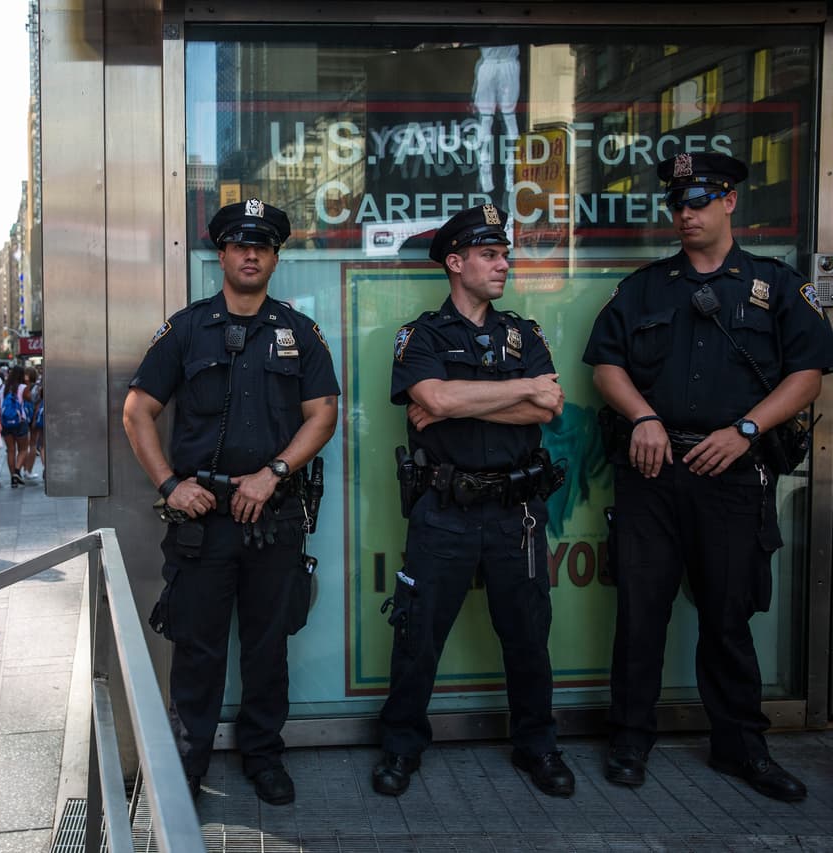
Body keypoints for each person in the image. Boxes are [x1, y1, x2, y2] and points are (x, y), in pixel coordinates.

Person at [582, 152, 833, 802]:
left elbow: (807, 374)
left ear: (729, 203)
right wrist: (642, 416)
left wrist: (746, 429)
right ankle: (630, 739)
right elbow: (605, 364)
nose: (685, 214)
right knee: (641, 613)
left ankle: (741, 746)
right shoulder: (644, 287)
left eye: (698, 201)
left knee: (727, 615)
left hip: (730, 473)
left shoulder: (777, 286)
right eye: (677, 204)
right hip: (653, 469)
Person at [122, 198, 339, 805]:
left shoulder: (298, 330)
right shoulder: (188, 328)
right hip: (203, 520)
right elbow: (138, 411)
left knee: (269, 645)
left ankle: (264, 755)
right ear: (221, 254)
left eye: (262, 246)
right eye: (240, 244)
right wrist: (170, 485)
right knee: (197, 647)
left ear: (275, 257)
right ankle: (186, 766)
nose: (251, 254)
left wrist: (273, 473)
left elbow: (324, 414)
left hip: (274, 517)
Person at [373, 204, 572, 798]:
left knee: (529, 635)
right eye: (490, 255)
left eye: (504, 254)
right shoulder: (422, 336)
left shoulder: (525, 332)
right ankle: (401, 747)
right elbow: (434, 396)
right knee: (418, 635)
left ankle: (537, 746)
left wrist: (462, 400)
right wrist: (517, 390)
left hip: (519, 510)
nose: (503, 264)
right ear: (455, 263)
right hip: (445, 511)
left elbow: (549, 407)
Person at [1, 364, 31, 487]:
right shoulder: (23, 387)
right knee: (23, 449)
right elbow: (30, 399)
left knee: (11, 451)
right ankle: (17, 471)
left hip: (6, 422)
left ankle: (13, 478)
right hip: (20, 421)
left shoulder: (3, 387)